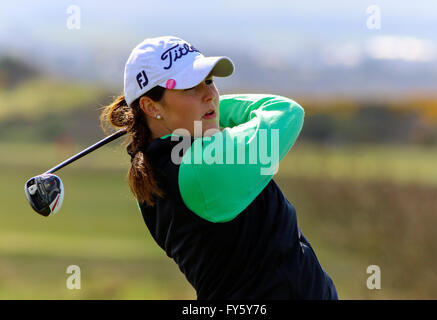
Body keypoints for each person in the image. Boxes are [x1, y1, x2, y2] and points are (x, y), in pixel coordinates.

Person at [100, 36, 338, 300]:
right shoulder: (204, 167)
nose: (210, 95)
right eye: (191, 87)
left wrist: (201, 110)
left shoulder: (154, 168)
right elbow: (285, 111)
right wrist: (214, 111)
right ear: (150, 105)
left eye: (210, 82)